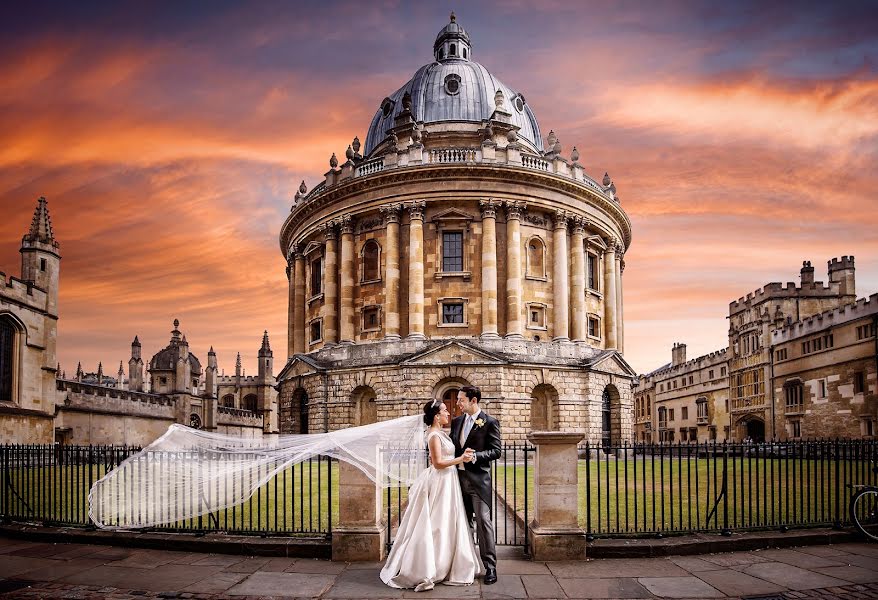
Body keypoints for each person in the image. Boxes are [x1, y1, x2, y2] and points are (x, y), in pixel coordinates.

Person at [380, 400, 483, 592]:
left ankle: (447, 561)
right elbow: (437, 463)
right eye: (444, 411)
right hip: (440, 481)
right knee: (438, 522)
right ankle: (432, 565)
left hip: (448, 480)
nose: (448, 413)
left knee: (448, 521)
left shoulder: (440, 433)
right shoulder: (434, 435)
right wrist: (461, 459)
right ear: (436, 416)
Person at [451, 385, 502, 585]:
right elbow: (454, 448)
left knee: (483, 521)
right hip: (456, 480)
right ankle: (467, 564)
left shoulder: (489, 422)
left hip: (479, 482)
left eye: (461, 399)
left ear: (473, 401)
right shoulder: (456, 422)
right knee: (463, 524)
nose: (457, 403)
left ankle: (490, 567)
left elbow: (496, 451)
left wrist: (476, 457)